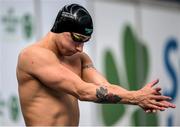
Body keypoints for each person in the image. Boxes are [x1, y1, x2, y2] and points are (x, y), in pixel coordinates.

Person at [16, 3, 175, 126]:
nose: (80, 48)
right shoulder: (32, 56)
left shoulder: (79, 58)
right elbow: (82, 91)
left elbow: (105, 87)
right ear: (61, 28)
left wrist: (141, 96)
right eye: (77, 39)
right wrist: (135, 97)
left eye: (85, 42)